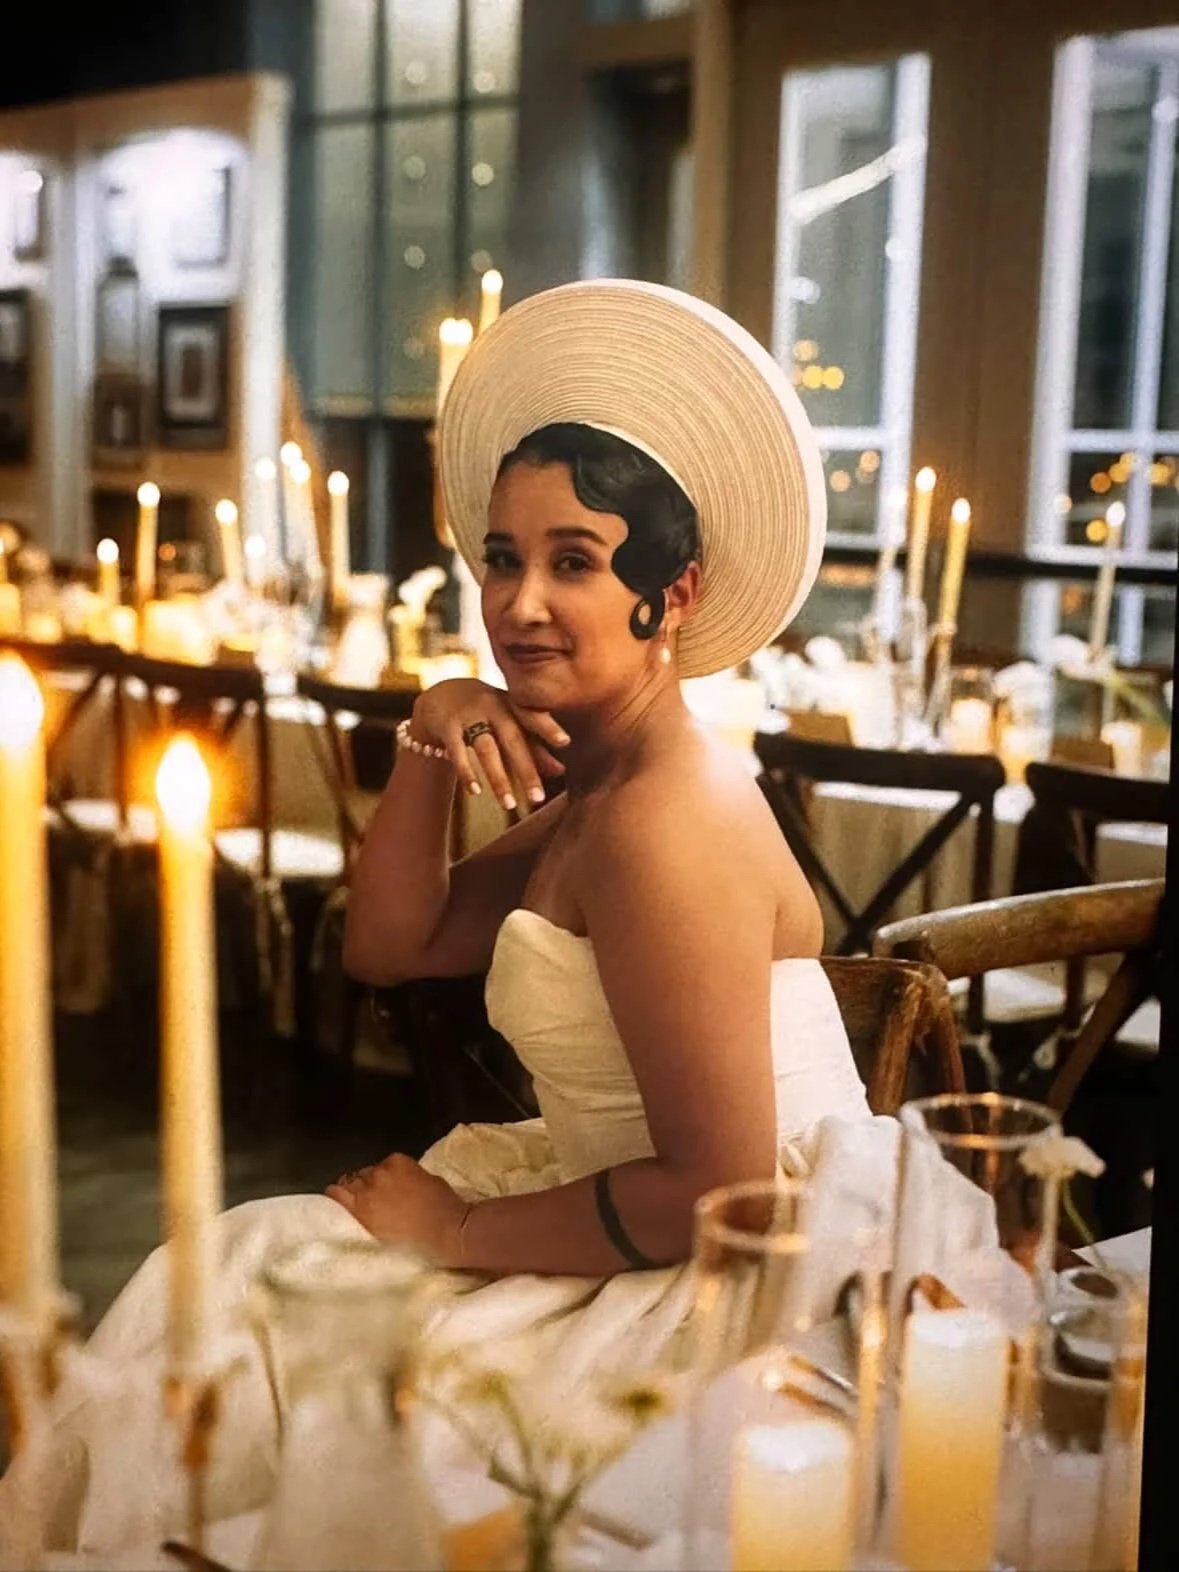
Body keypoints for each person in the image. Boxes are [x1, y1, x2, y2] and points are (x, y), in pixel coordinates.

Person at [0, 280, 893, 1559]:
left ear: (677, 590)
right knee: (246, 1272)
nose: (520, 603)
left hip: (728, 1286)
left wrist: (455, 1231)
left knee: (278, 1322)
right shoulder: (606, 790)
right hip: (629, 1214)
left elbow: (723, 1190)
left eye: (573, 562)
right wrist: (432, 724)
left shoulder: (662, 821)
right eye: (502, 559)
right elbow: (392, 944)